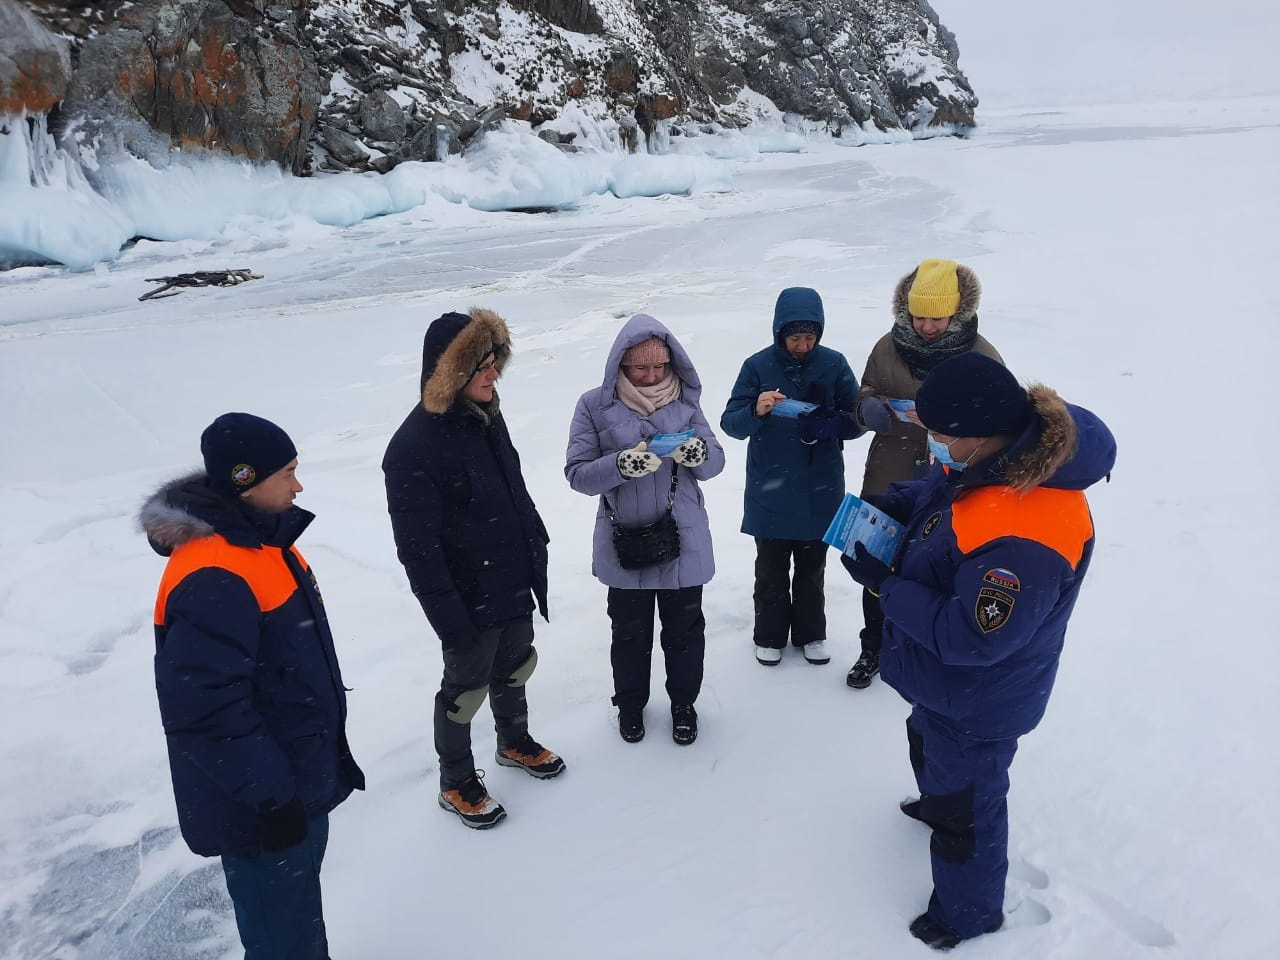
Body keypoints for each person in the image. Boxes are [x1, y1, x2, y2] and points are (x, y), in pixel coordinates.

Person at [839, 352, 1116, 950]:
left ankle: (967, 916)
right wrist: (897, 505)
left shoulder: (1028, 535)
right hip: (944, 689)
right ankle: (940, 798)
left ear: (980, 434)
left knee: (967, 812)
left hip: (979, 699)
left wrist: (886, 584)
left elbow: (971, 638)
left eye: (940, 435)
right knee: (929, 745)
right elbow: (947, 494)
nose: (932, 445)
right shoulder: (999, 459)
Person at [140, 412, 365, 960]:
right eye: (287, 472)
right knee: (282, 942)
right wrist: (272, 797)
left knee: (297, 928)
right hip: (262, 807)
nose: (298, 484)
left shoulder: (264, 543)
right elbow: (206, 710)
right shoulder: (214, 574)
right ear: (245, 480)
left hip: (293, 783)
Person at [382, 308, 563, 831]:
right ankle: (455, 779)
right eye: (481, 366)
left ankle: (514, 742)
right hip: (466, 598)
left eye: (495, 362)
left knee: (516, 668)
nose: (493, 374)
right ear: (450, 373)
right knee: (463, 694)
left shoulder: (488, 416)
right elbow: (418, 550)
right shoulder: (411, 448)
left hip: (511, 578)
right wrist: (450, 619)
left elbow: (515, 494)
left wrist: (536, 552)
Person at [565, 315, 726, 745]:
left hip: (683, 540)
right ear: (620, 364)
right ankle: (631, 705)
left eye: (659, 367)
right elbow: (577, 474)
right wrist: (620, 465)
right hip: (626, 543)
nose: (651, 375)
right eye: (640, 368)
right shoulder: (593, 406)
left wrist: (698, 453)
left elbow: (715, 463)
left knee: (685, 634)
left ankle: (683, 705)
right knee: (629, 636)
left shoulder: (687, 404)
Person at [846, 258, 1005, 689]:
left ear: (955, 313)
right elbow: (863, 395)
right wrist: (868, 409)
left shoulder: (982, 355)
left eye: (936, 318)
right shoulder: (886, 347)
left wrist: (951, 425)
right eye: (919, 317)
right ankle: (873, 648)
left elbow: (1001, 423)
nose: (927, 327)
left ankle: (925, 650)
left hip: (952, 479)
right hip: (890, 468)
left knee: (938, 567)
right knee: (878, 560)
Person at [720, 286, 890, 667]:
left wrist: (835, 423)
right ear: (780, 333)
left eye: (810, 337)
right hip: (771, 488)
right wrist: (757, 410)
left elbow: (856, 417)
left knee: (813, 571)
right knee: (771, 571)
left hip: (820, 487)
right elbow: (731, 423)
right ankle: (769, 635)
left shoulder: (833, 364)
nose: (802, 345)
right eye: (795, 337)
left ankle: (811, 634)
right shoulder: (757, 366)